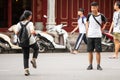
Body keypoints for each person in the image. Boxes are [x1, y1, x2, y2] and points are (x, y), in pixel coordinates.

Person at [15, 10, 39, 76]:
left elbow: (16, 33)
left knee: (25, 56)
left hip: (23, 42)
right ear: (29, 16)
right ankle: (34, 59)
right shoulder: (30, 23)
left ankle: (26, 71)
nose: (31, 16)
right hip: (31, 41)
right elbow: (32, 31)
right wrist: (35, 33)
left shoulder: (18, 24)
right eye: (31, 15)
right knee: (36, 48)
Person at [86, 2, 107, 70]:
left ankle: (98, 65)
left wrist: (103, 28)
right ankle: (90, 65)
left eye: (94, 8)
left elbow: (105, 22)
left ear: (97, 7)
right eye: (92, 8)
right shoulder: (89, 15)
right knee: (90, 51)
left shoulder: (101, 15)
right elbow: (87, 22)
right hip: (90, 35)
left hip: (98, 35)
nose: (93, 9)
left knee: (98, 51)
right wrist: (87, 30)